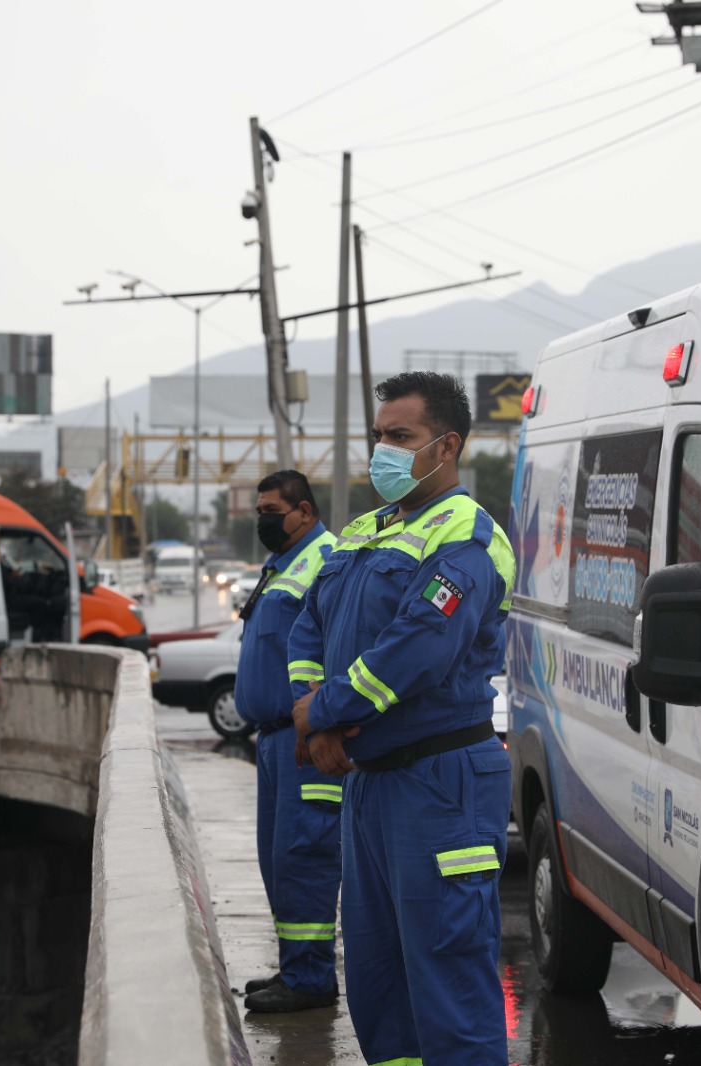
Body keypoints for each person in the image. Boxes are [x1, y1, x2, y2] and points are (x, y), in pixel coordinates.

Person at [287, 372, 515, 1065]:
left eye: (400, 437)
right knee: (378, 987)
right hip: (370, 783)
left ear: (446, 447)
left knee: (450, 987)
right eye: (379, 436)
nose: (382, 450)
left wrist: (322, 713)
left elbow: (417, 649)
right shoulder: (364, 531)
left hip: (440, 783)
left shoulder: (465, 538)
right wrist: (314, 721)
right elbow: (307, 630)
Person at [234, 470, 343, 1013]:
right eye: (260, 510)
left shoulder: (327, 559)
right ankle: (296, 966)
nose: (263, 520)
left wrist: (319, 721)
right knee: (277, 861)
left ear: (303, 511)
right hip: (274, 741)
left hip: (303, 739)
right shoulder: (282, 564)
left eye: (271, 510)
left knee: (306, 857)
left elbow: (336, 646)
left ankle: (310, 980)